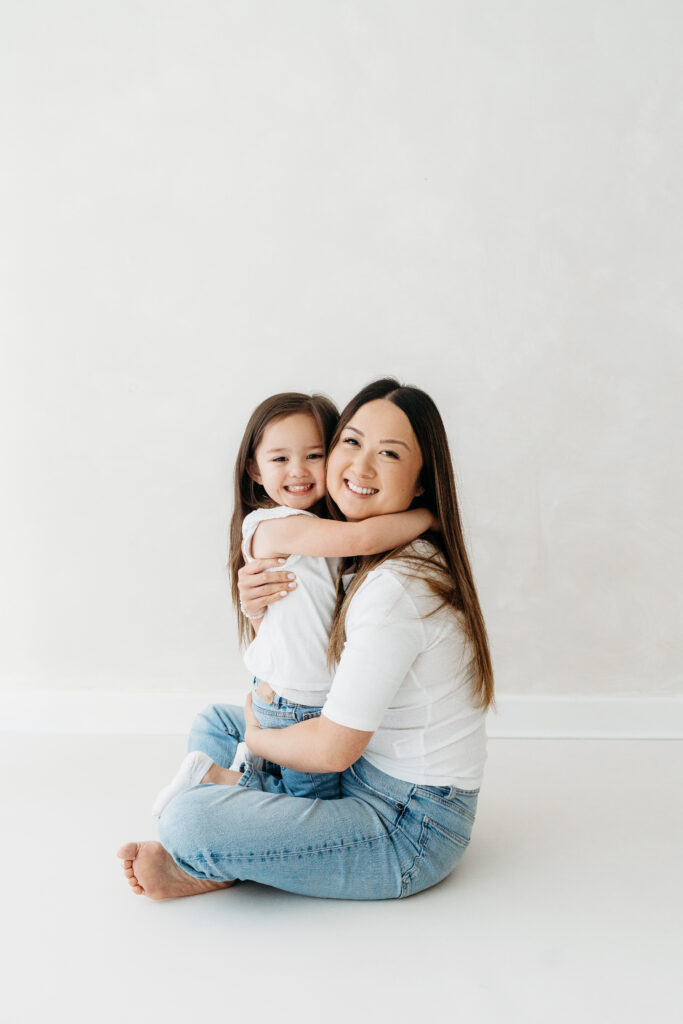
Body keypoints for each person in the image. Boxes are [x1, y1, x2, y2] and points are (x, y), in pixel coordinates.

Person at [118, 377, 494, 901]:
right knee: (214, 722)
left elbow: (334, 748)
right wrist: (260, 612)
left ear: (420, 483)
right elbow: (310, 656)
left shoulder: (394, 585)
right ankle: (249, 825)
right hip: (360, 765)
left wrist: (259, 737)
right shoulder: (344, 553)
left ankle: (222, 846)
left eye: (388, 453)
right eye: (352, 442)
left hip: (407, 825)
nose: (360, 467)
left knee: (186, 821)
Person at [151, 390, 436, 812]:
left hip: (292, 694)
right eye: (280, 459)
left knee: (282, 780)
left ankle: (241, 775)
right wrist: (428, 515)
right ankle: (226, 779)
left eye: (315, 455)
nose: (299, 471)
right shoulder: (273, 526)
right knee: (309, 806)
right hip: (300, 704)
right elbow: (361, 537)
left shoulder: (317, 529)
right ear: (254, 469)